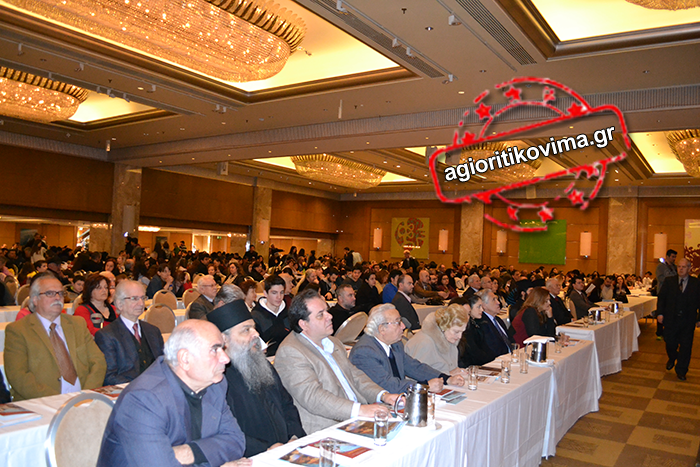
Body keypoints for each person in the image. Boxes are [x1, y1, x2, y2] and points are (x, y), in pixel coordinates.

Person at [97, 320, 248, 467]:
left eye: (223, 348)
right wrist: (212, 458)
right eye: (215, 350)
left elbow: (236, 441)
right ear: (185, 359)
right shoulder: (143, 399)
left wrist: (186, 453)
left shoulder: (215, 385)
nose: (226, 359)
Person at [274, 289, 398, 434]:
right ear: (303, 324)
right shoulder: (291, 351)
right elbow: (313, 397)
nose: (330, 316)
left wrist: (383, 395)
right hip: (326, 428)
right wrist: (360, 410)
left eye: (327, 311)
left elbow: (355, 376)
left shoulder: (333, 342)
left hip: (355, 418)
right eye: (321, 315)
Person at [207, 300, 306, 457]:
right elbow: (222, 431)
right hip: (251, 457)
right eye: (246, 330)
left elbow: (287, 404)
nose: (256, 334)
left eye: (253, 327)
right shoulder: (217, 378)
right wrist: (264, 450)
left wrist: (294, 436)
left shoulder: (261, 363)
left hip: (287, 449)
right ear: (224, 340)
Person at [4, 273, 106, 401]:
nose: (57, 297)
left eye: (60, 293)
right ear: (35, 299)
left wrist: (85, 395)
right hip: (41, 403)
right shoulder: (18, 331)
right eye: (50, 293)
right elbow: (18, 376)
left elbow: (98, 362)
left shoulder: (77, 324)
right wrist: (57, 400)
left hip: (84, 399)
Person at [349, 304, 464, 394]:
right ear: (382, 329)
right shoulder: (364, 352)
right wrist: (424, 386)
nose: (403, 326)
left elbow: (414, 367)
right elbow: (387, 385)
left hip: (399, 400)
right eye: (398, 322)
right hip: (376, 408)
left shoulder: (395, 344)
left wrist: (446, 379)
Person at [95, 280, 165, 385]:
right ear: (119, 304)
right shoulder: (107, 335)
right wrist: (140, 385)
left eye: (142, 298)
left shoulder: (153, 331)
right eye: (134, 299)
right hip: (127, 391)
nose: (141, 303)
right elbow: (109, 377)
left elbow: (164, 366)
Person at [657, 258, 700, 381]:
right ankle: (673, 357)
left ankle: (681, 370)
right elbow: (662, 298)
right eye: (679, 267)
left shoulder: (696, 283)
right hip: (671, 319)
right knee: (670, 342)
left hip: (688, 320)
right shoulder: (669, 281)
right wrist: (660, 313)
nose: (681, 269)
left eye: (683, 267)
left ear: (689, 268)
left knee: (686, 346)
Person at [405, 304, 468, 374]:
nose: (460, 336)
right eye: (456, 332)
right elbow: (415, 374)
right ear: (444, 326)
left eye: (462, 332)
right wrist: (449, 374)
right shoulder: (424, 343)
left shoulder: (449, 339)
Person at [251, 274, 290, 356]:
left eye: (281, 292)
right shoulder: (256, 317)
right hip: (267, 358)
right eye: (274, 293)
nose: (279, 297)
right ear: (265, 293)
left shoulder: (288, 313)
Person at [476, 289, 514, 358]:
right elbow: (492, 349)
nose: (498, 302)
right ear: (484, 305)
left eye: (497, 299)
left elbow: (509, 340)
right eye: (494, 300)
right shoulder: (482, 323)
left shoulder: (498, 320)